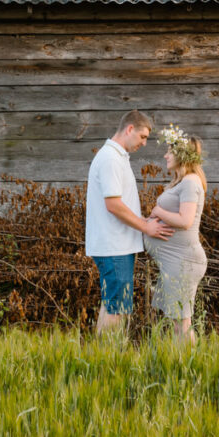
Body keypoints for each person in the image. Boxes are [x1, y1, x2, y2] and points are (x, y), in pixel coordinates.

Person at [85, 109, 172, 335]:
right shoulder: (110, 159)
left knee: (115, 303)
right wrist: (146, 226)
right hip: (114, 245)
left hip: (119, 245)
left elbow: (122, 202)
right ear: (129, 129)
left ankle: (106, 356)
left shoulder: (117, 157)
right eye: (142, 137)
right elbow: (113, 204)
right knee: (117, 306)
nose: (144, 143)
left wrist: (143, 219)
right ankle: (108, 358)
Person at [144, 125, 208, 344]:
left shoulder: (190, 182)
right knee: (176, 321)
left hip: (183, 262)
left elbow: (185, 220)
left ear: (181, 155)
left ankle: (192, 365)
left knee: (182, 322)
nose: (165, 155)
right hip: (173, 262)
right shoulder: (182, 182)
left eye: (170, 151)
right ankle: (179, 363)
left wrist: (158, 211)